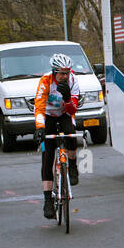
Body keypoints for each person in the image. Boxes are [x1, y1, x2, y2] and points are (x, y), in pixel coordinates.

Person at [34, 53, 81, 219]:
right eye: (61, 73)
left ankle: (73, 166)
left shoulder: (73, 81)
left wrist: (68, 98)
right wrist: (40, 128)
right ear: (54, 72)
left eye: (67, 72)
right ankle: (47, 201)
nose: (64, 76)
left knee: (71, 137)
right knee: (47, 157)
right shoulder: (45, 82)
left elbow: (73, 110)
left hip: (65, 114)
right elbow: (39, 107)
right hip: (48, 116)